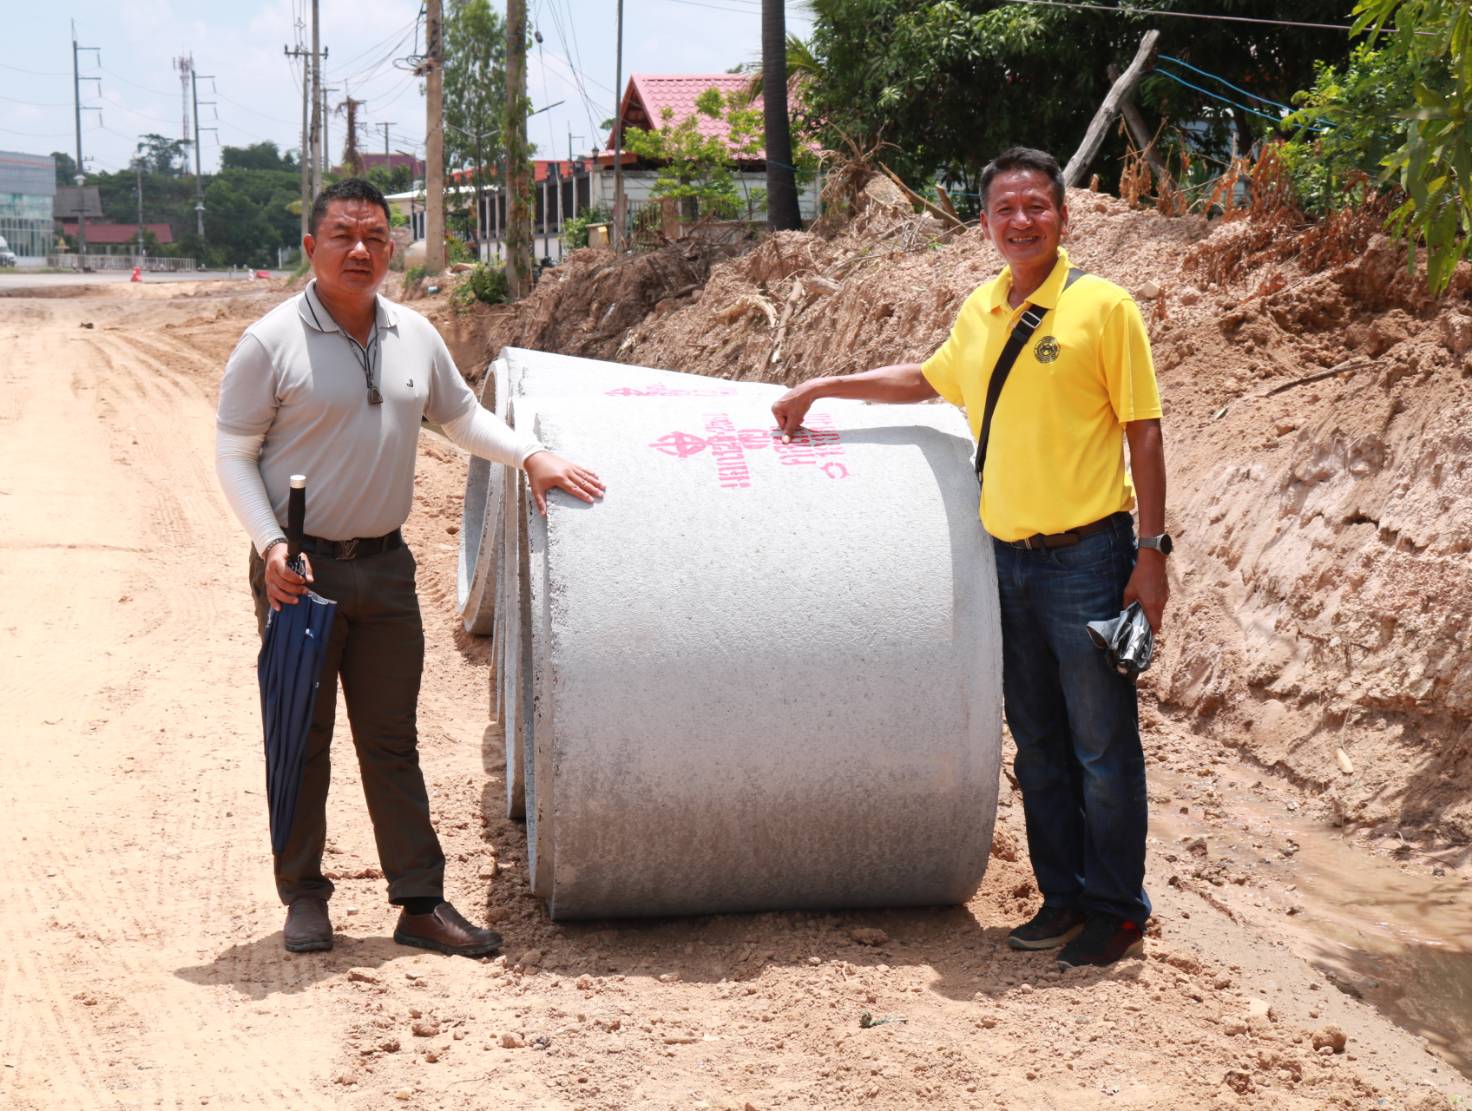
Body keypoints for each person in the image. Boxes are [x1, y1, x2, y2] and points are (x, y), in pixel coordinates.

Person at [771, 147, 1168, 970]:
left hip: (1089, 557)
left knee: (1102, 745)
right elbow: (924, 381)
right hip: (1006, 566)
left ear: (1064, 216)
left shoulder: (1103, 307)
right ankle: (1063, 897)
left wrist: (1151, 551)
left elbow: (1145, 430)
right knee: (1039, 743)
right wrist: (823, 386)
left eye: (1037, 206)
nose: (1022, 221)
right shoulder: (982, 310)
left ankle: (1118, 910)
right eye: (1005, 209)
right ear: (984, 222)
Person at [215, 178, 605, 957]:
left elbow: (460, 417)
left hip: (387, 571)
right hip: (301, 574)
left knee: (392, 740)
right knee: (300, 738)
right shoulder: (269, 342)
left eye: (375, 237)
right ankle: (304, 896)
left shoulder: (414, 334)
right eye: (343, 235)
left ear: (392, 248)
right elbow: (233, 452)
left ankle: (419, 902)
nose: (360, 250)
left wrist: (530, 453)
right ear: (311, 247)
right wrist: (270, 546)